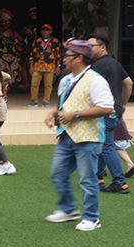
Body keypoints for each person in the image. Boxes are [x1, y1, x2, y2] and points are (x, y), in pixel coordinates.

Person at [44, 39, 114, 232]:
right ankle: (68, 210)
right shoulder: (66, 79)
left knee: (87, 178)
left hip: (88, 138)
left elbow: (107, 108)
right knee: (57, 173)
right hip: (66, 135)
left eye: (67, 56)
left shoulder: (96, 80)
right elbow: (63, 105)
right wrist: (53, 113)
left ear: (79, 58)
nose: (64, 59)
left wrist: (75, 115)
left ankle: (92, 217)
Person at [88, 33, 133, 195]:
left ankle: (119, 183)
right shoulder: (114, 63)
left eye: (91, 46)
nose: (88, 49)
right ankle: (99, 178)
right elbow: (128, 83)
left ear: (102, 47)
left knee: (106, 147)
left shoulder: (97, 67)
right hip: (115, 110)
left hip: (104, 111)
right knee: (100, 144)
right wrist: (123, 104)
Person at [28, 24, 61, 106]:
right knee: (34, 84)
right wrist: (31, 66)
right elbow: (32, 55)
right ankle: (34, 100)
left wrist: (58, 67)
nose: (45, 32)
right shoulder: (37, 41)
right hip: (37, 66)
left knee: (48, 85)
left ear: (51, 31)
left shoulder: (55, 41)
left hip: (50, 66)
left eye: (47, 30)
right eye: (44, 30)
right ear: (41, 31)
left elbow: (58, 55)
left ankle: (46, 101)